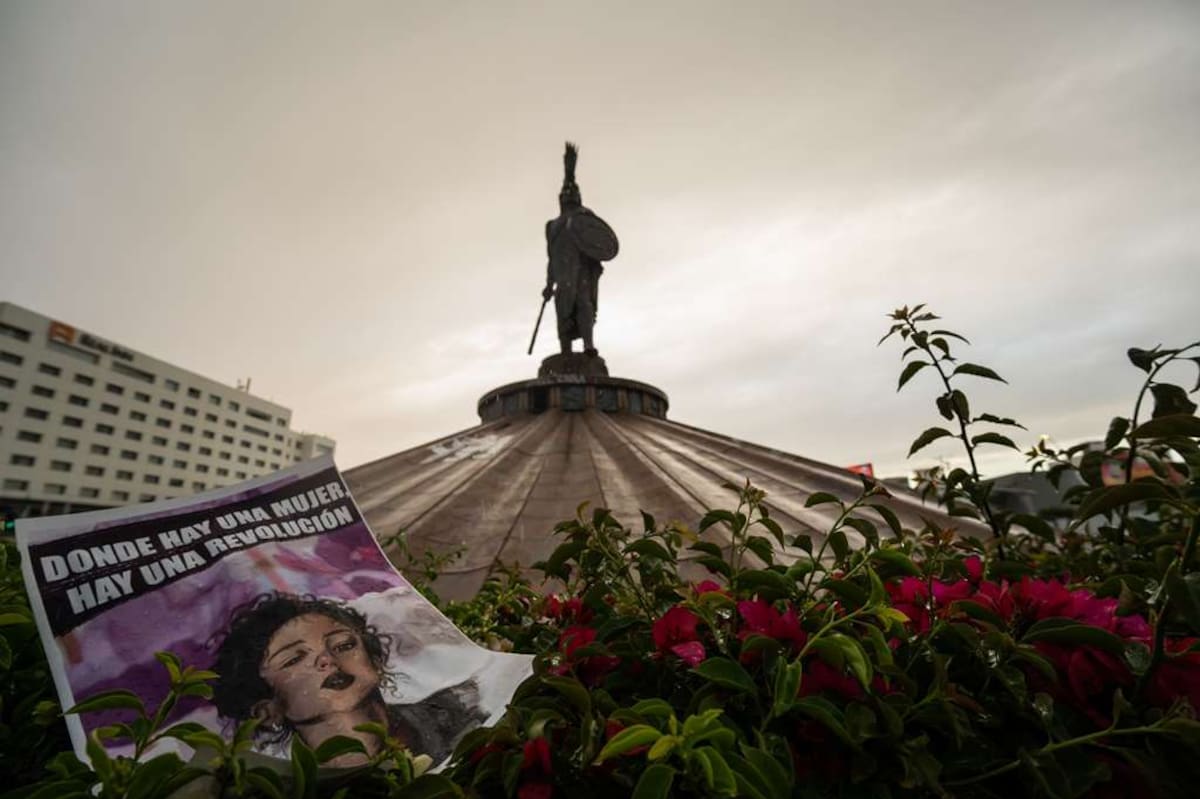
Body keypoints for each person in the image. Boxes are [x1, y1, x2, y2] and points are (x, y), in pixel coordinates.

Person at [210, 593, 486, 765]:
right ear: (267, 711)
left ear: (375, 661)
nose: (326, 659)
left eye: (343, 645)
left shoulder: (465, 710)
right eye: (294, 659)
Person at [542, 142, 618, 356]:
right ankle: (565, 350)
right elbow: (551, 258)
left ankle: (588, 345)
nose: (569, 195)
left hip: (583, 272)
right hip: (564, 274)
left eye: (572, 192)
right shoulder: (552, 226)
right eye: (566, 193)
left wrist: (570, 174)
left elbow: (596, 242)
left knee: (584, 305)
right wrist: (549, 284)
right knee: (563, 312)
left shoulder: (584, 217)